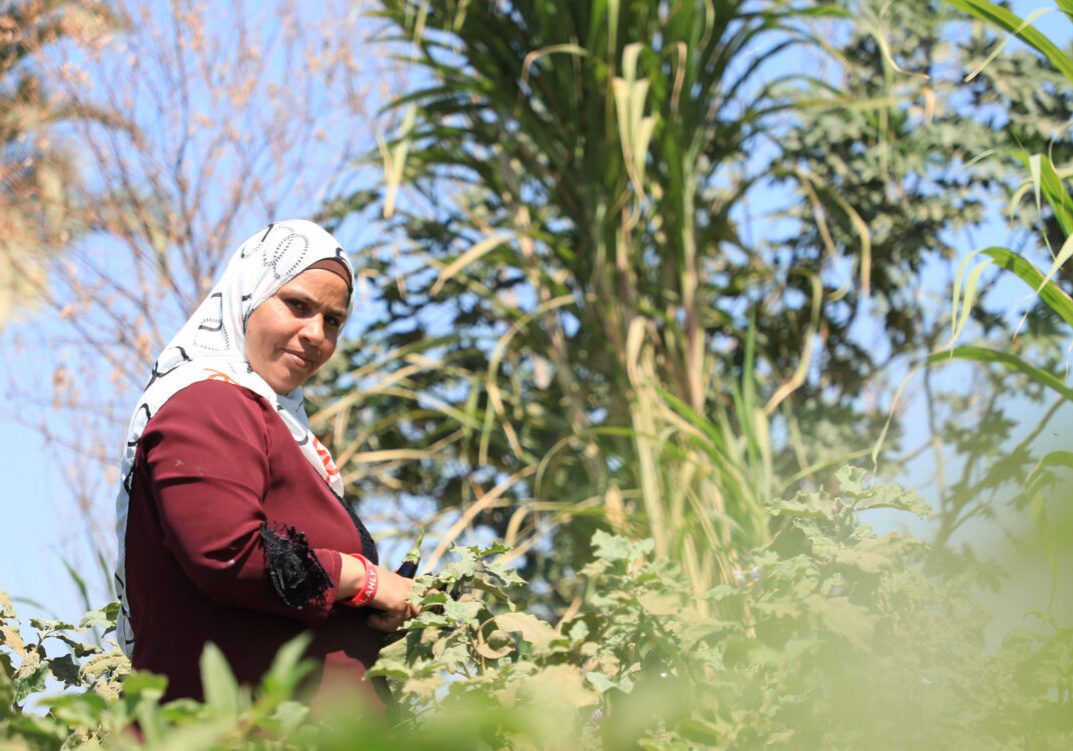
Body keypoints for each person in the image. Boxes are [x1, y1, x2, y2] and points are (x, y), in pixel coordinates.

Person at [113, 220, 415, 707]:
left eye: (333, 321)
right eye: (298, 305)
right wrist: (366, 581)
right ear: (247, 297)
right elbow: (228, 553)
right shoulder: (209, 404)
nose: (315, 334)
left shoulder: (281, 428)